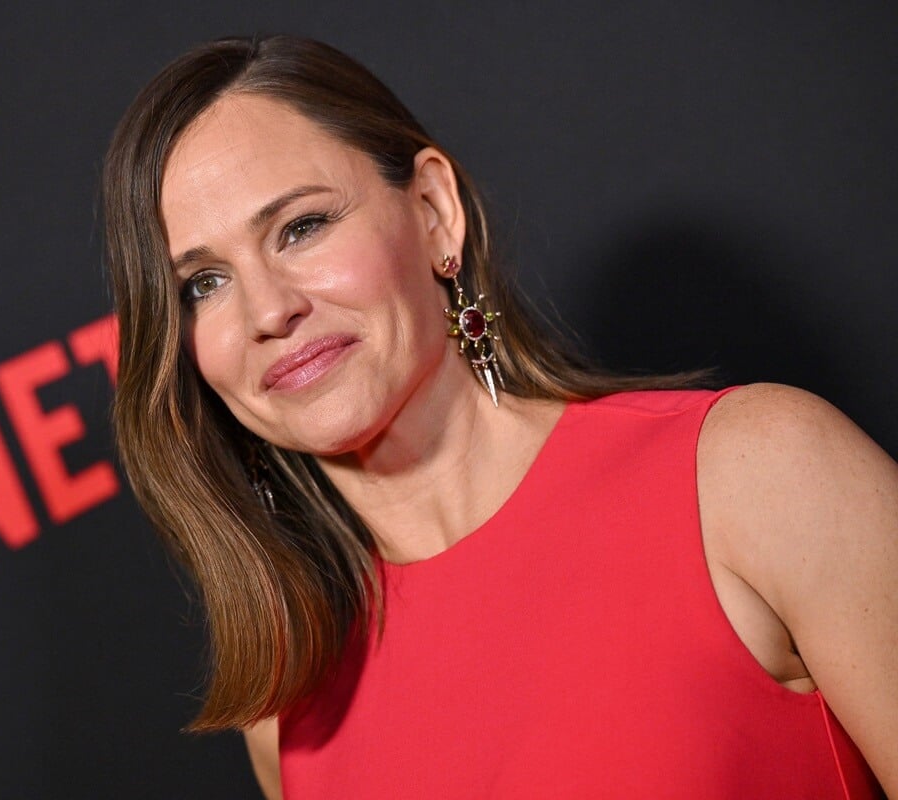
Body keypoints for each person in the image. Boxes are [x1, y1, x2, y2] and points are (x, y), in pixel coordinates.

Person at [100, 35, 895, 798]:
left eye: (301, 227)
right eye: (202, 284)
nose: (269, 309)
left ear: (435, 212)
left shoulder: (756, 475)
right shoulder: (289, 713)